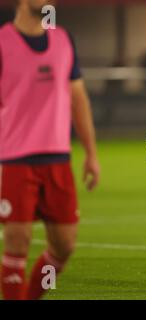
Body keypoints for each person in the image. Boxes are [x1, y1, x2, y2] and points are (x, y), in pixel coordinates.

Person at [0, 0, 100, 300]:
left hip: (58, 158)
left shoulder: (63, 39)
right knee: (17, 241)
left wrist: (91, 154)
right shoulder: (3, 41)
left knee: (64, 246)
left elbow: (78, 98)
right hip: (15, 161)